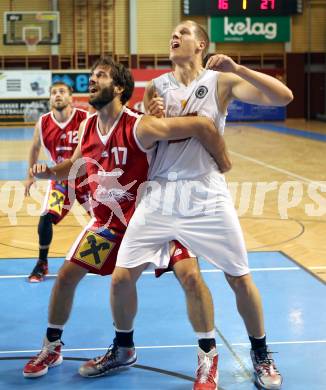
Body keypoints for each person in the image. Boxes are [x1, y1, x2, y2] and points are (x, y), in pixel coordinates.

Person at [80, 21, 293, 390]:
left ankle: (260, 353)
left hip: (205, 193)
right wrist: (153, 113)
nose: (174, 35)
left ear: (201, 44)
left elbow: (283, 97)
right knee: (121, 277)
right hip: (159, 193)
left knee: (239, 277)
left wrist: (238, 69)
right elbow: (149, 140)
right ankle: (123, 347)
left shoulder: (220, 80)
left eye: (183, 31)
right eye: (172, 32)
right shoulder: (157, 86)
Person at [22, 56, 230, 379]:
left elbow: (197, 127)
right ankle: (59, 346)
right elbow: (73, 164)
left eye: (100, 76)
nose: (92, 80)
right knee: (66, 277)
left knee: (190, 276)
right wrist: (49, 170)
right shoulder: (88, 126)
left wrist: (219, 156)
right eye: (92, 76)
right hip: (110, 224)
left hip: (155, 221)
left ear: (119, 87)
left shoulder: (138, 124)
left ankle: (208, 356)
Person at [25, 81, 90, 282]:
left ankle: (126, 254)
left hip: (86, 178)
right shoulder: (42, 123)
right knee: (46, 218)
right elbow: (35, 148)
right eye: (53, 92)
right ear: (50, 98)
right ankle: (42, 263)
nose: (57, 95)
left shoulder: (84, 118)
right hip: (61, 180)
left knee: (108, 220)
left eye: (62, 91)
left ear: (71, 97)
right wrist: (30, 176)